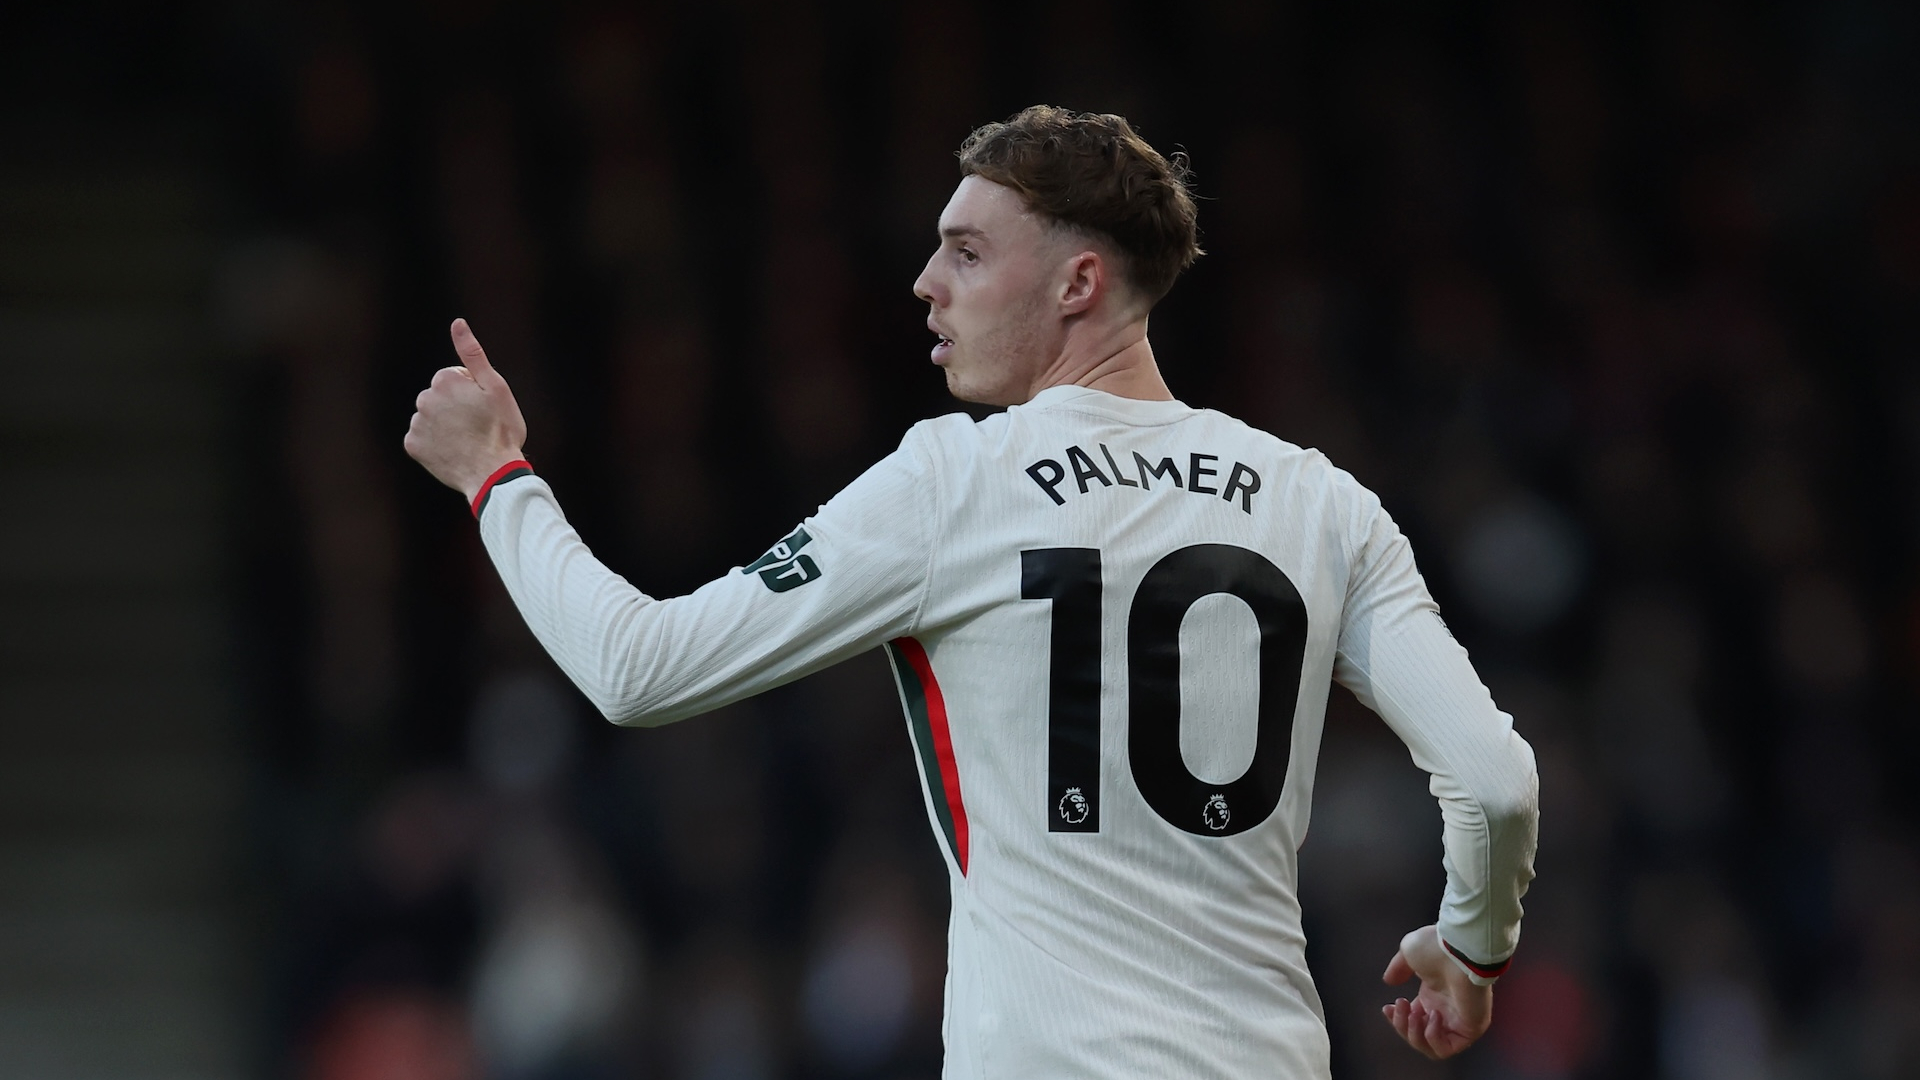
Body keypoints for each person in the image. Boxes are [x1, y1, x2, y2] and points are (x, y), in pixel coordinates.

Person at [405, 105, 1538, 1078]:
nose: (925, 283)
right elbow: (1492, 783)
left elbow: (636, 668)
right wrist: (1474, 950)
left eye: (966, 253)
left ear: (1079, 281)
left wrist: (496, 477)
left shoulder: (955, 482)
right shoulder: (1323, 503)